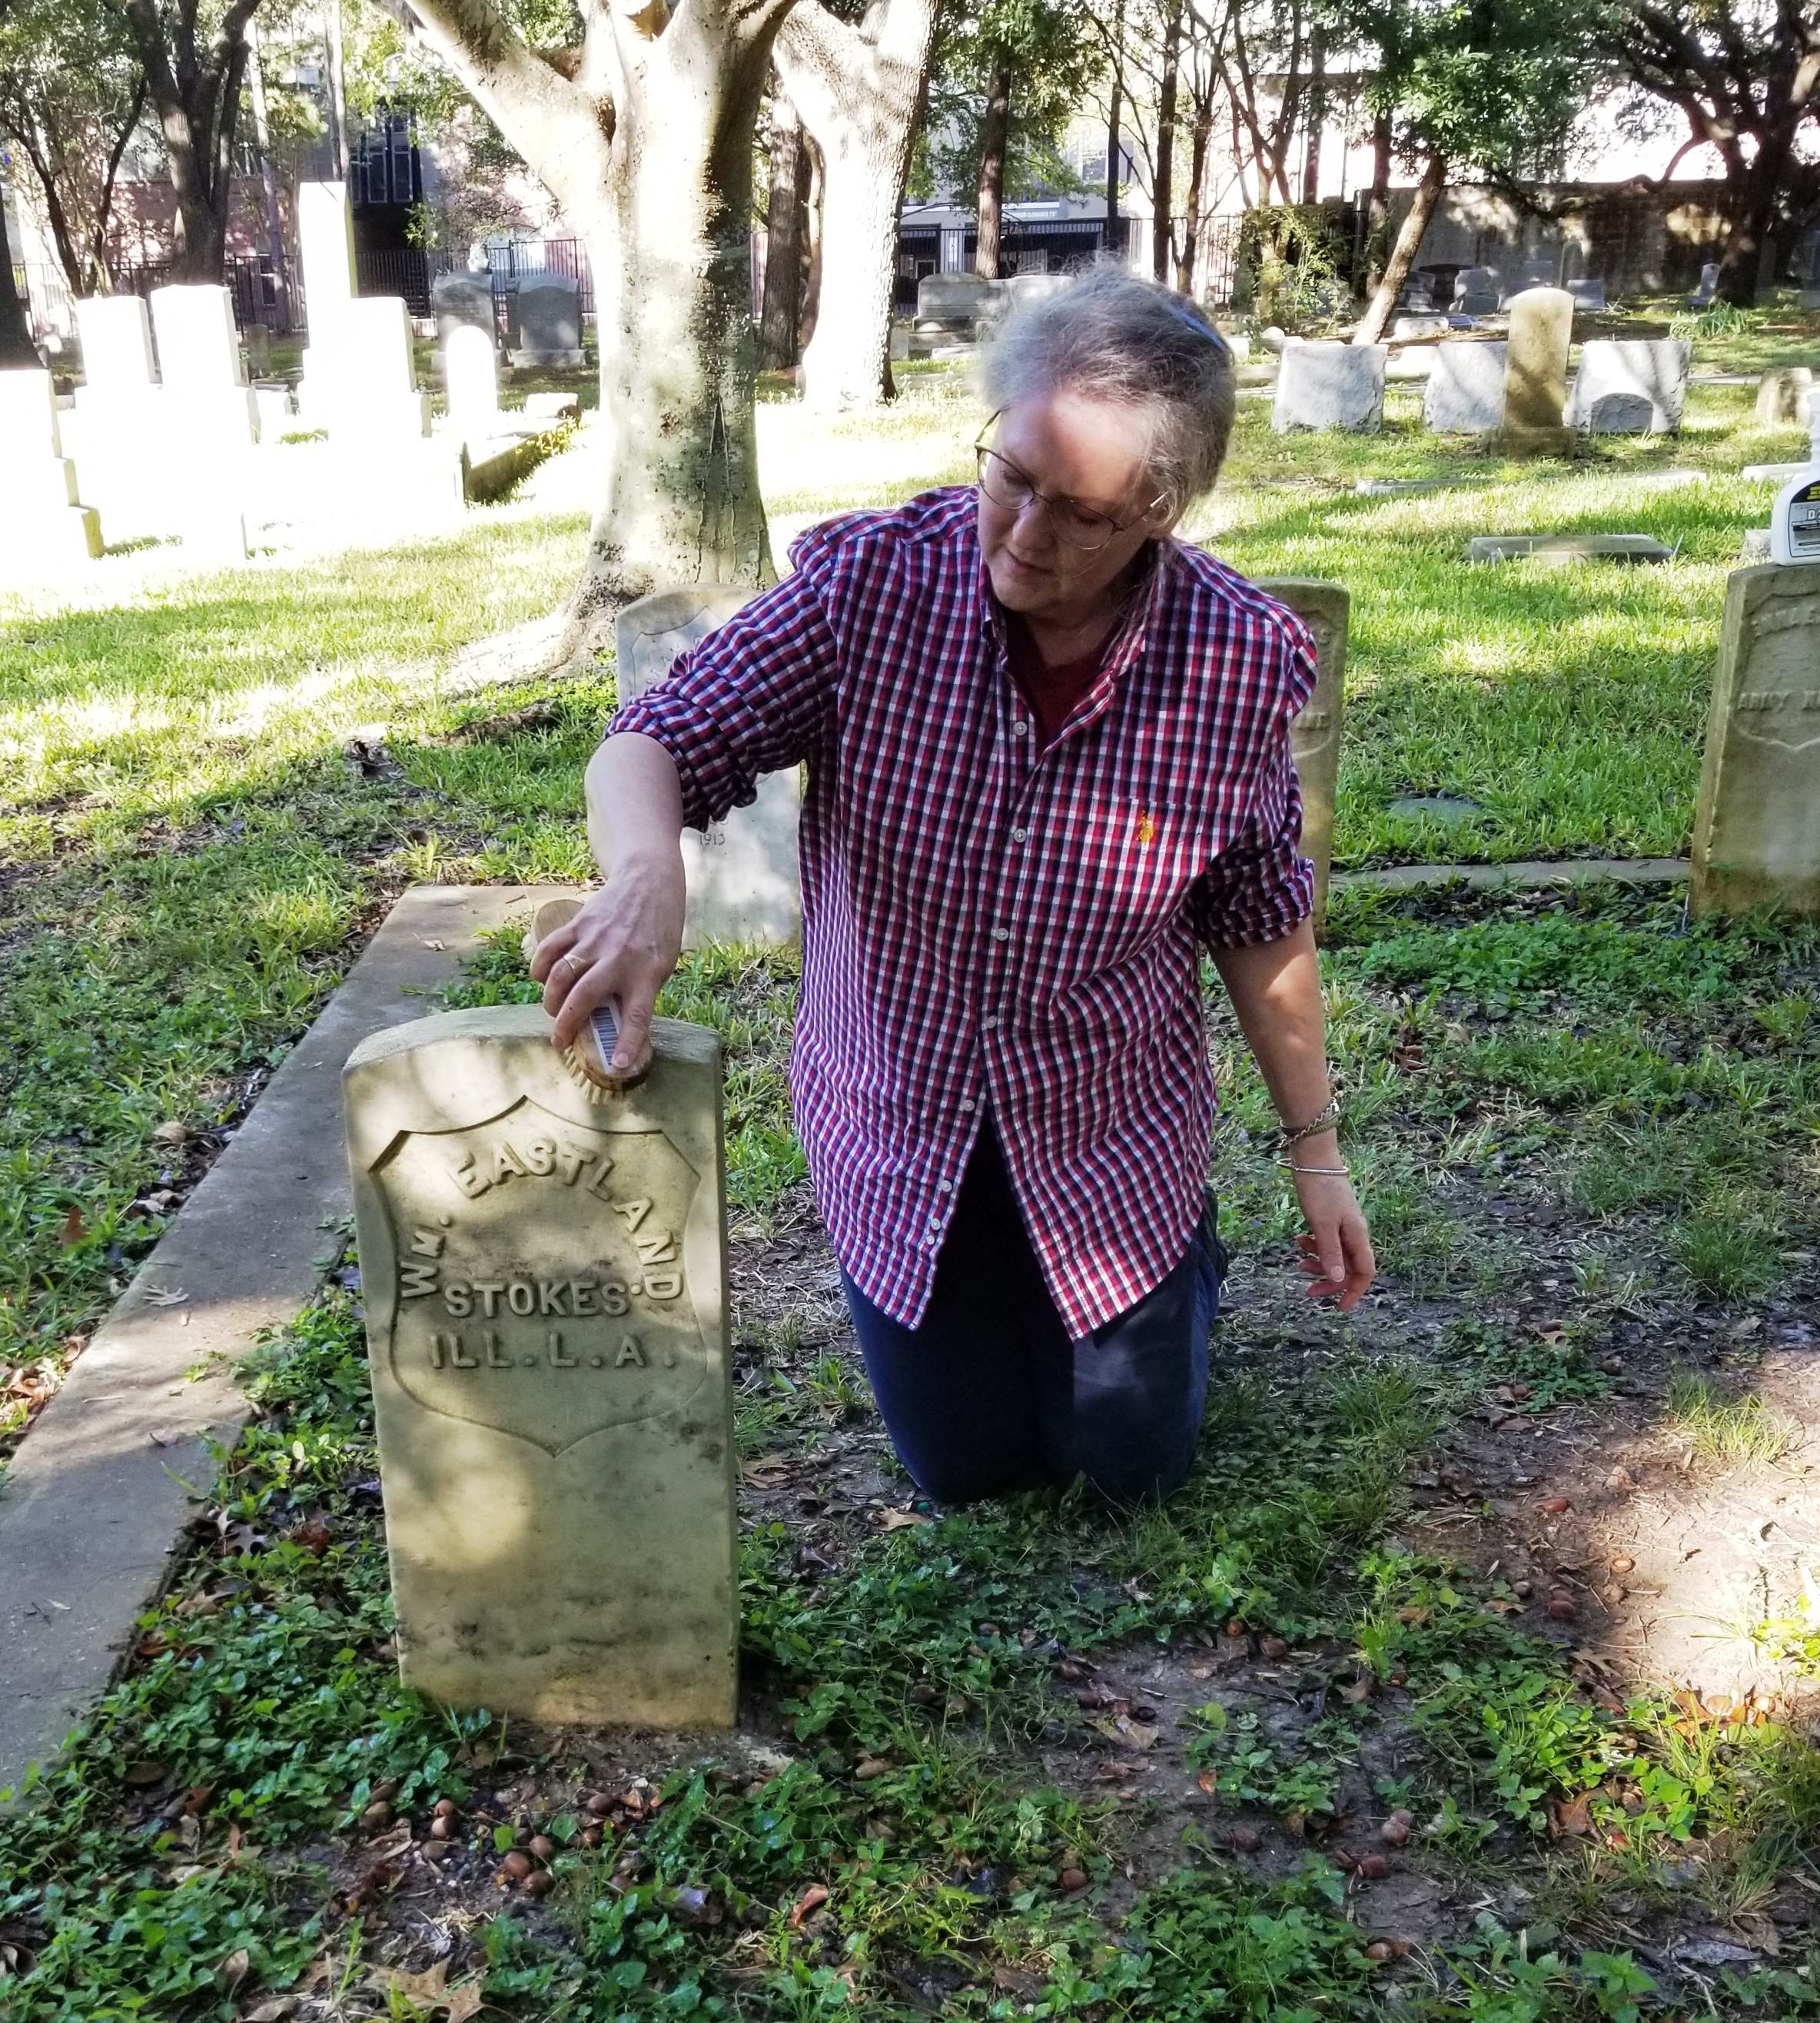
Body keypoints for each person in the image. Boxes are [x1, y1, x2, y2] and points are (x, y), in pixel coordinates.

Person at [532, 264, 1376, 1507]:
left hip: (1105, 1135)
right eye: (1012, 477)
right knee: (966, 1471)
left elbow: (1259, 919)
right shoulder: (872, 588)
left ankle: (1178, 1268)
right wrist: (648, 880)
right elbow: (654, 739)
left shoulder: (1235, 659)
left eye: (1081, 515)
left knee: (1127, 1469)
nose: (1027, 537)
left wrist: (1317, 1153)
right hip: (899, 1123)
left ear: (1158, 512)